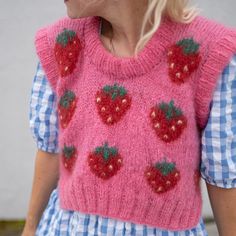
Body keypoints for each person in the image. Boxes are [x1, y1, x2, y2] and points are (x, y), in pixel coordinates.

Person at [22, 0, 236, 235]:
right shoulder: (62, 44)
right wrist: (30, 227)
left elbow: (222, 174)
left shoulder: (210, 52)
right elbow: (52, 148)